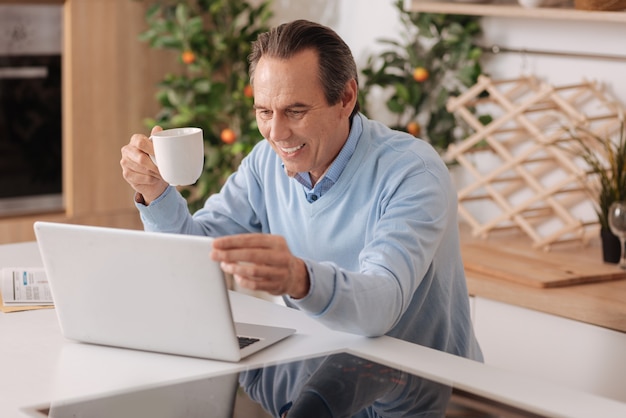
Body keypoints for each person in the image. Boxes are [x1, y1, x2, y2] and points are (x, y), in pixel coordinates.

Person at [120, 19, 482, 362]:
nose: (276, 133)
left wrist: (300, 279)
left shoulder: (412, 172)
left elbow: (382, 304)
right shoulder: (265, 162)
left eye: (295, 111)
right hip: (323, 365)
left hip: (425, 389)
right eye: (264, 111)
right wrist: (157, 194)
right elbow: (198, 255)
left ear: (346, 98)